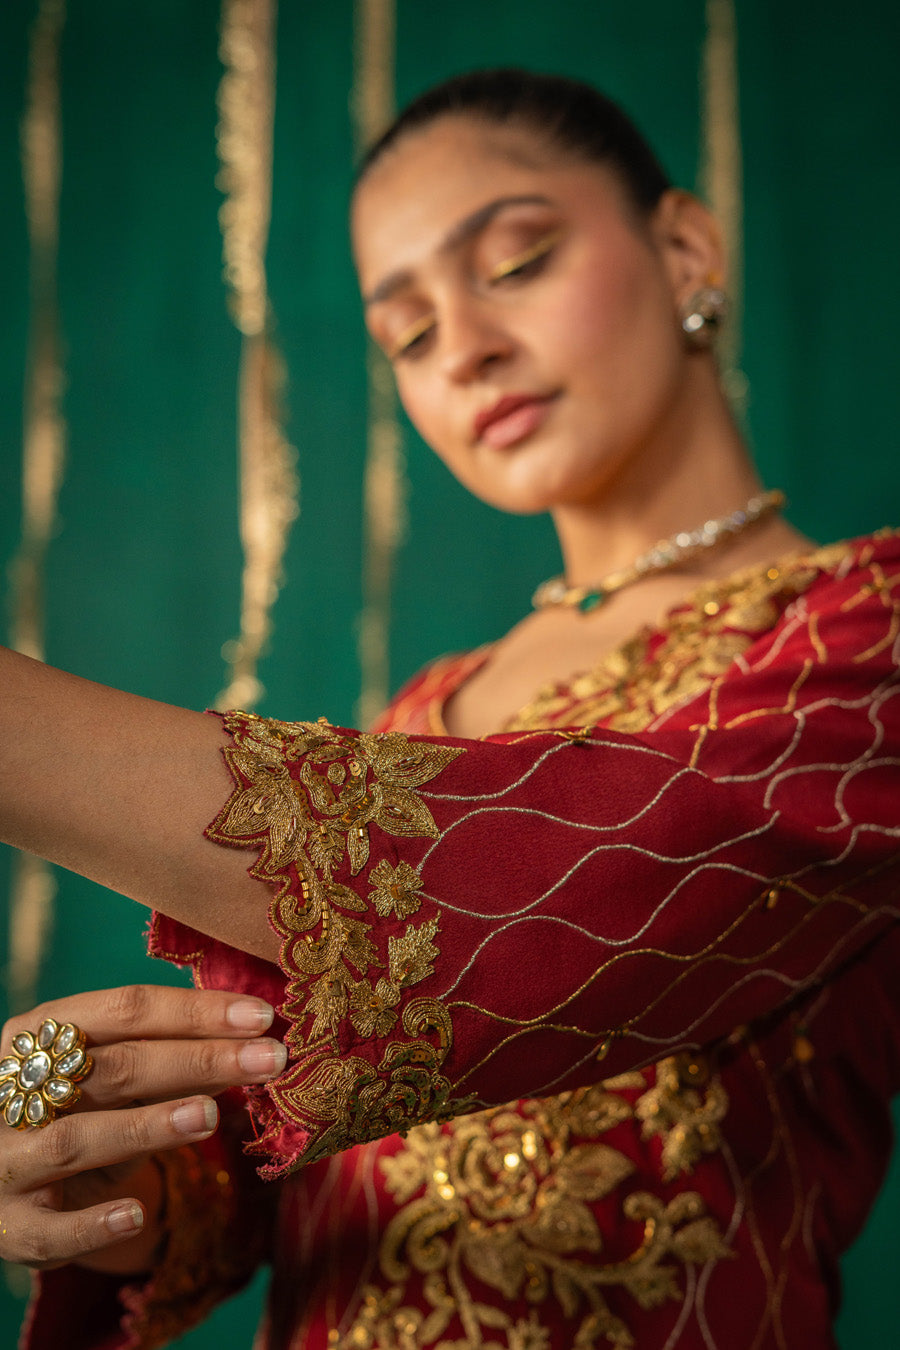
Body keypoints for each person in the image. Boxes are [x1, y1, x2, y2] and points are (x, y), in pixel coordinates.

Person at [2, 68, 899, 1350]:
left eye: (518, 260)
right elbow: (294, 1158)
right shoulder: (437, 706)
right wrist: (122, 1177)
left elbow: (548, 895)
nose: (464, 346)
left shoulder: (866, 639)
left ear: (687, 245)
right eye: (409, 337)